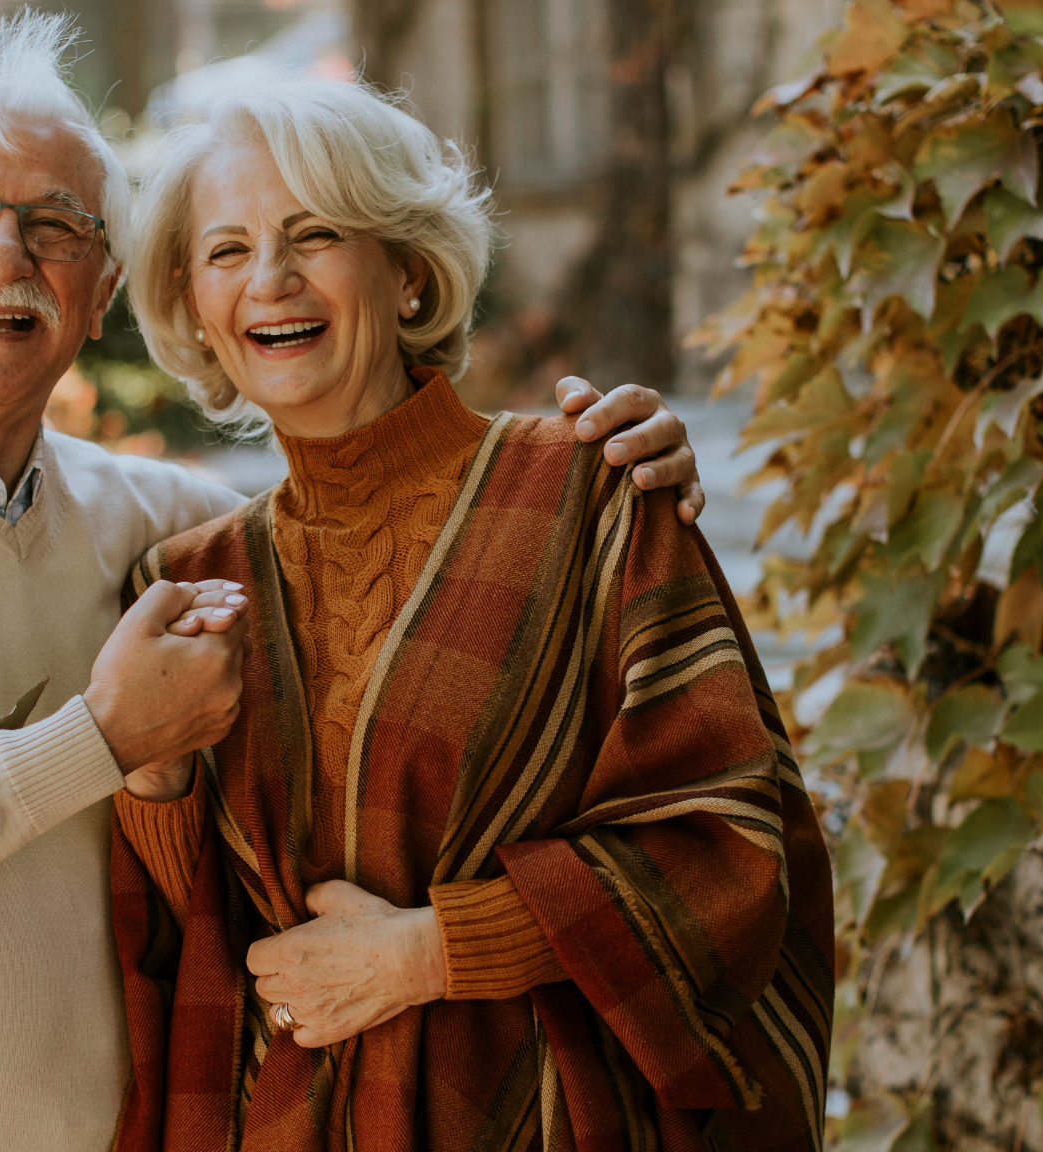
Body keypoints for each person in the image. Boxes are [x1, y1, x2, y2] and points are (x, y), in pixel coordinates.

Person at [0, 16, 707, 1152]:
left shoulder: (164, 530)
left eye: (55, 229)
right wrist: (104, 739)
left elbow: (385, 501)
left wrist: (613, 469)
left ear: (101, 297)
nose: (3, 258)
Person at [108, 79, 835, 1152]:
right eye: (226, 250)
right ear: (197, 309)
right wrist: (153, 776)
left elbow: (724, 843)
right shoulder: (184, 582)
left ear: (406, 272)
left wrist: (435, 951)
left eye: (314, 234)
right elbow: (193, 932)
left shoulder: (586, 491)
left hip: (537, 1118)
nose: (270, 279)